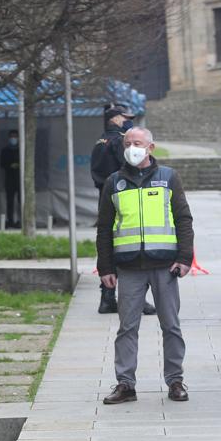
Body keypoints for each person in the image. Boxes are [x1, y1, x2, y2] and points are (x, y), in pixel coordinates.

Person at [96, 128, 194, 404]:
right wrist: (105, 267)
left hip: (165, 265)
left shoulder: (168, 178)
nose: (131, 147)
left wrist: (185, 258)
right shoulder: (114, 182)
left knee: (171, 326)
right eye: (127, 143)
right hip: (128, 268)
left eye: (137, 143)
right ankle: (125, 385)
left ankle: (175, 381)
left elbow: (183, 218)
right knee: (127, 328)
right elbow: (104, 228)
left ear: (150, 147)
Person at [91, 103, 155, 316]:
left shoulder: (101, 139)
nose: (128, 121)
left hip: (105, 196)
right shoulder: (119, 141)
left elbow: (96, 172)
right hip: (124, 196)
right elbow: (129, 166)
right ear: (115, 119)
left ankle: (106, 298)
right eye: (124, 118)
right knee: (132, 248)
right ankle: (138, 300)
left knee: (108, 245)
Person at [0, 129, 21, 228]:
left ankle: (21, 221)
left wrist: (19, 165)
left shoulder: (21, 149)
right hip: (9, 179)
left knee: (22, 201)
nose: (13, 138)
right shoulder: (5, 150)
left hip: (20, 179)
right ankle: (10, 221)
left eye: (15, 136)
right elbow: (2, 164)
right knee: (10, 202)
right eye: (12, 137)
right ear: (9, 138)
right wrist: (10, 166)